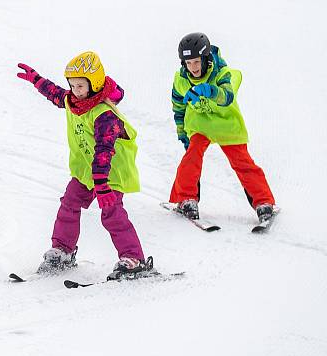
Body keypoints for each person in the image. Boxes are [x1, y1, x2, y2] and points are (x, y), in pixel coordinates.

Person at [16, 52, 147, 280]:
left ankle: (134, 258)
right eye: (73, 85)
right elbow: (56, 94)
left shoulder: (104, 115)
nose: (75, 90)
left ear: (94, 84)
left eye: (80, 86)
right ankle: (63, 250)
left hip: (111, 173)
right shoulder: (74, 102)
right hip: (87, 170)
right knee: (69, 203)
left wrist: (103, 186)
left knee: (112, 214)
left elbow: (104, 152)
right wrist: (37, 80)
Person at [170, 32, 275, 222]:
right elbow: (178, 107)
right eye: (188, 63)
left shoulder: (222, 73)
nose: (193, 67)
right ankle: (186, 199)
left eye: (196, 62)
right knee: (191, 157)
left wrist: (209, 90)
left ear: (205, 58)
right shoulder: (181, 80)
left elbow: (227, 97)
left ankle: (264, 202)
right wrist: (182, 131)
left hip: (227, 124)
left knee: (242, 162)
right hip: (200, 124)